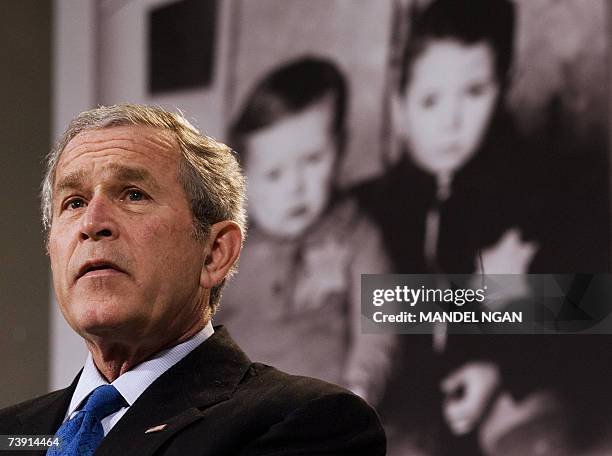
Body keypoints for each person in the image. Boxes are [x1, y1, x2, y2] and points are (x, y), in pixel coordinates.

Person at [0, 103, 386, 455]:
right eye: (74, 202)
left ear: (215, 252)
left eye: (133, 194)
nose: (92, 223)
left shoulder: (306, 422)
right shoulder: (10, 434)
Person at [355, 0, 574, 454]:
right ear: (400, 105)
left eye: (474, 93)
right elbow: (376, 309)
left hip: (504, 391)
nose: (451, 121)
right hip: (404, 399)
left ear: (503, 89)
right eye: (431, 100)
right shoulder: (371, 206)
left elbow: (588, 309)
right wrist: (473, 294)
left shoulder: (538, 191)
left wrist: (498, 371)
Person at [215, 57, 395, 405]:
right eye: (274, 175)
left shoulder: (357, 234)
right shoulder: (223, 245)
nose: (296, 187)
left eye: (313, 160)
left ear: (340, 149)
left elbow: (380, 326)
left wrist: (361, 388)